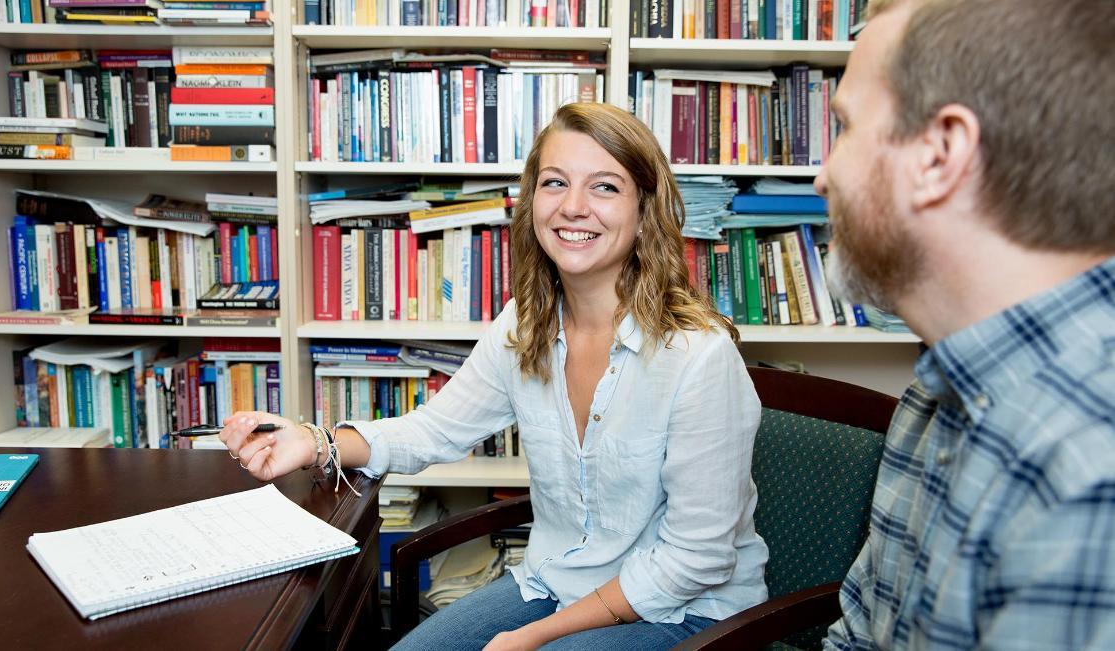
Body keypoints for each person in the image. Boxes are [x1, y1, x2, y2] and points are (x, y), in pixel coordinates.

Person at [220, 102, 768, 650]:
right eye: (556, 183)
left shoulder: (698, 356)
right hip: (557, 584)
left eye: (604, 187)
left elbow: (694, 561)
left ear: (646, 211)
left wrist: (533, 637)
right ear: (533, 203)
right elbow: (434, 430)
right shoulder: (523, 324)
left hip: (688, 612)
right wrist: (315, 442)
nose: (573, 207)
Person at [816, 0, 1115, 648]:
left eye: (843, 127)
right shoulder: (936, 390)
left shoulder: (1091, 475)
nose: (822, 175)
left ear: (939, 154)